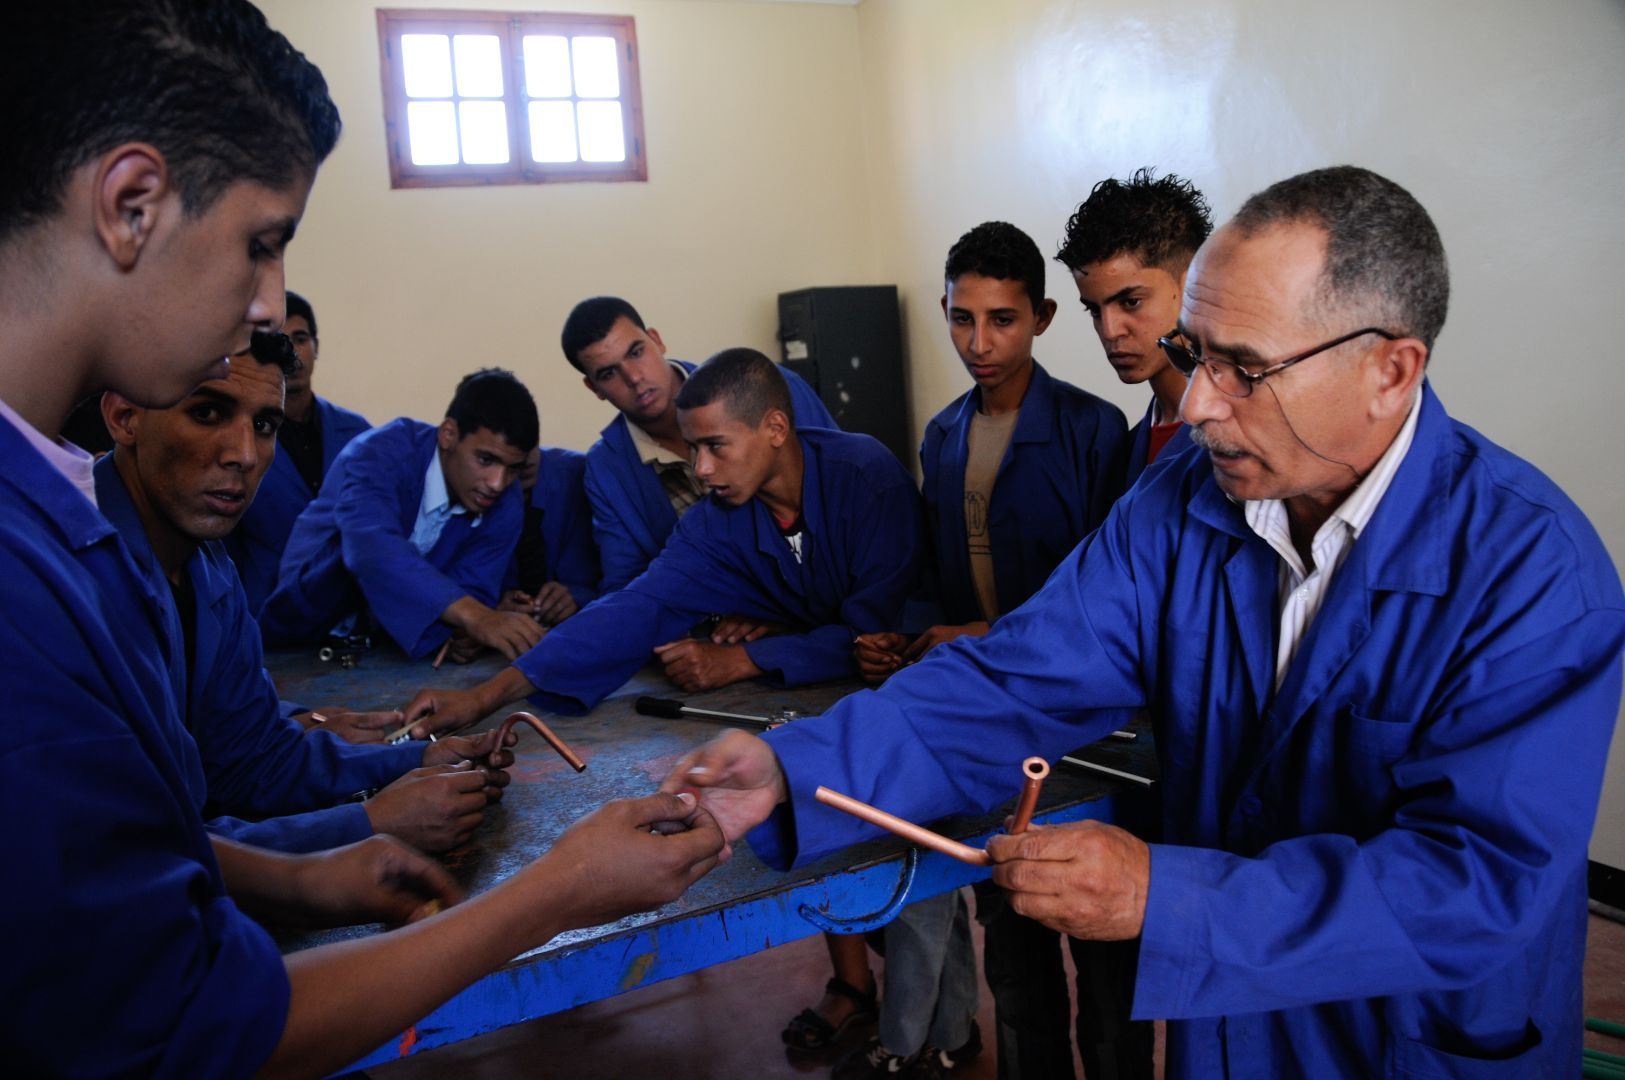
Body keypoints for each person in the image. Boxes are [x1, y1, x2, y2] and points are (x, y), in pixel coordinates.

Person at [665, 166, 1625, 1078]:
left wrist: (1166, 897)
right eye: (1195, 357)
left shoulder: (1530, 571)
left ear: (1390, 370)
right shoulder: (1181, 506)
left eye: (1244, 368)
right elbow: (1018, 677)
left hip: (1407, 1032)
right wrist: (796, 767)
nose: (1201, 403)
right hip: (1231, 1021)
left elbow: (1475, 881)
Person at [0, 4, 721, 1075]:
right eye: (260, 242)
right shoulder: (32, 584)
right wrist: (556, 889)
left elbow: (116, 849)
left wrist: (303, 865)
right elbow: (182, 1022)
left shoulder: (117, 560)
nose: (268, 301)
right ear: (131, 204)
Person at [845, 221, 1127, 1080]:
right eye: (962, 319)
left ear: (1041, 317)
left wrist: (991, 635)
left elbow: (1106, 591)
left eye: (1001, 319)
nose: (979, 342)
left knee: (1104, 957)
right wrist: (911, 632)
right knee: (1010, 938)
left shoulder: (1092, 430)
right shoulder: (941, 435)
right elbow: (935, 572)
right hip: (987, 722)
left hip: (1083, 722)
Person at [97, 331, 512, 853]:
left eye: (265, 425)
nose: (245, 455)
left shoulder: (208, 568)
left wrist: (416, 759)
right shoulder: (70, 583)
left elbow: (251, 763)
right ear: (125, 416)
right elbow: (131, 851)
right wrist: (368, 824)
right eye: (207, 413)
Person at [399, 347, 924, 728]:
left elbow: (878, 631)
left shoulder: (866, 478)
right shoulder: (713, 523)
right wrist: (485, 698)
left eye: (716, 446)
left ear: (776, 428)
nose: (700, 469)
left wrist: (746, 660)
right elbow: (631, 611)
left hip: (914, 693)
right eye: (694, 448)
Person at [259, 368, 546, 663]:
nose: (498, 482)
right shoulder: (378, 452)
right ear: (448, 434)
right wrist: (475, 616)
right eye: (485, 459)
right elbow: (371, 549)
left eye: (514, 468)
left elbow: (475, 586)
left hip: (388, 651)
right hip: (298, 632)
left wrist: (463, 635)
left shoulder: (506, 501)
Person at [561, 296, 837, 593]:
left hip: (828, 591)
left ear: (657, 340)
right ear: (594, 388)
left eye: (636, 352)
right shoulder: (605, 471)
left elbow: (844, 497)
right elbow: (628, 583)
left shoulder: (767, 387)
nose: (634, 378)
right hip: (715, 624)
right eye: (608, 373)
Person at [1057, 169, 1210, 488]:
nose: (1110, 331)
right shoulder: (1123, 453)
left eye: (1131, 302)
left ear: (1191, 282)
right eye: (1094, 310)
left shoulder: (1243, 439)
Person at [227, 289, 370, 612]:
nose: (293, 350)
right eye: (280, 338)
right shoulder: (239, 439)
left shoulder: (358, 434)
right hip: (264, 614)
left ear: (317, 347)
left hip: (347, 616)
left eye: (301, 337)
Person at [495, 443, 602, 633]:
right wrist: (488, 609)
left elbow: (628, 576)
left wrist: (578, 598)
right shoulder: (463, 488)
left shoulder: (584, 474)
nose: (524, 457)